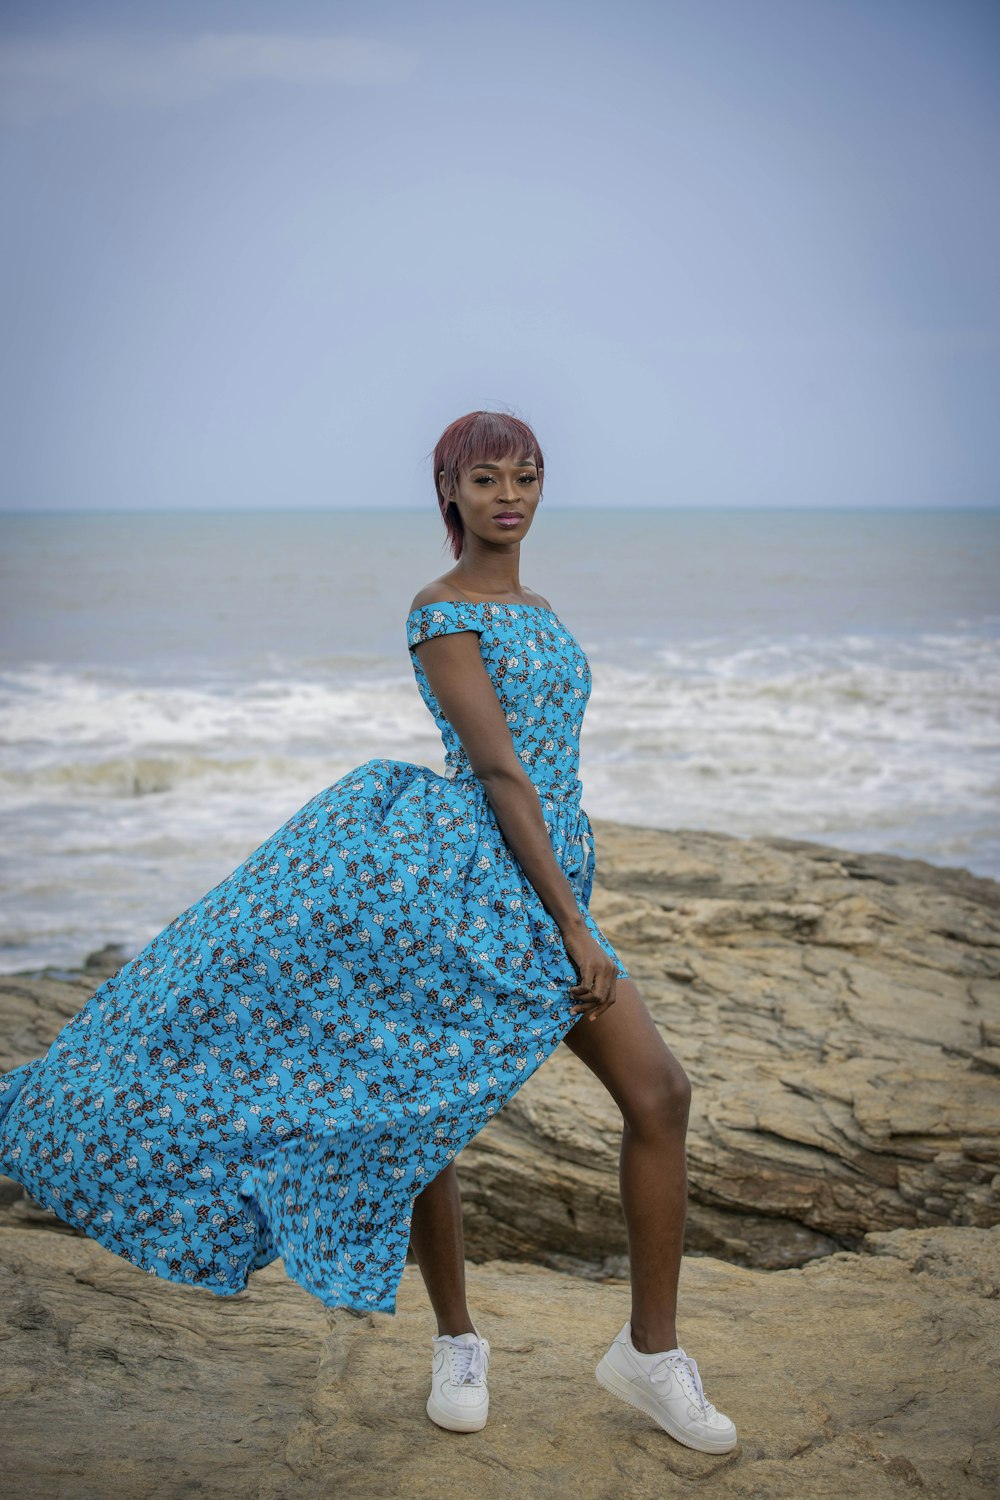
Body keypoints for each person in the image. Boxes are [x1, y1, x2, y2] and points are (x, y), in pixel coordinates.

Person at [0, 410, 736, 1456]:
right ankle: (457, 1339)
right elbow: (496, 772)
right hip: (458, 888)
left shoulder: (542, 609)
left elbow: (553, 776)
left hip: (540, 878)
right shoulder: (439, 614)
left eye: (526, 476)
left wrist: (573, 892)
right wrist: (571, 921)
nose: (509, 495)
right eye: (485, 479)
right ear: (450, 494)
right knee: (414, 1111)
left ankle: (650, 1356)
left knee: (659, 1093)